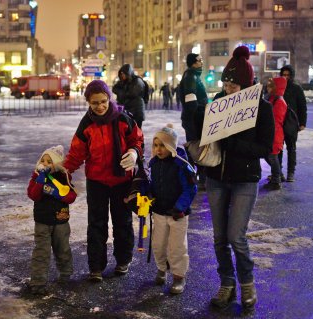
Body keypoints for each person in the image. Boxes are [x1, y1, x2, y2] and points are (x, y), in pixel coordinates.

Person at [205, 46, 274, 310]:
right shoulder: (218, 104)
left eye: (234, 85)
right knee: (219, 238)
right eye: (226, 84)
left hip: (245, 180)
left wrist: (234, 144)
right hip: (216, 178)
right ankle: (226, 283)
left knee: (236, 236)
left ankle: (247, 283)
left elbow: (266, 148)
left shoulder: (262, 109)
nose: (228, 89)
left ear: (246, 85)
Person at [63, 80, 144, 282]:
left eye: (103, 101)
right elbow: (76, 152)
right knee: (96, 224)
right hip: (97, 181)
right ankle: (96, 267)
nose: (99, 106)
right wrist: (65, 172)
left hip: (121, 180)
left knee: (122, 222)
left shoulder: (124, 118)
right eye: (94, 103)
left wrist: (134, 152)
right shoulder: (87, 124)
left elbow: (138, 139)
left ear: (109, 98)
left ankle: (123, 260)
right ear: (88, 103)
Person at [149, 124, 197, 294]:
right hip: (160, 211)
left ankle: (178, 276)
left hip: (178, 214)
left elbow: (190, 188)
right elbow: (152, 185)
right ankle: (161, 269)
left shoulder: (181, 165)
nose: (158, 149)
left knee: (177, 247)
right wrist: (146, 196)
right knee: (158, 244)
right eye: (155, 145)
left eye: (162, 145)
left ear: (171, 146)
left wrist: (179, 207)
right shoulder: (153, 163)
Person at [26, 145, 78, 295]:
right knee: (41, 252)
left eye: (50, 161)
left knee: (63, 249)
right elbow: (33, 195)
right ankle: (38, 282)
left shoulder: (63, 176)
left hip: (61, 221)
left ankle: (65, 274)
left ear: (57, 163)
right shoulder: (36, 176)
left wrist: (58, 194)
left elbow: (71, 196)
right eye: (43, 160)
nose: (45, 164)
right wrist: (40, 181)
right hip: (42, 222)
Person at [179, 53, 208, 189]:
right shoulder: (190, 76)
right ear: (193, 63)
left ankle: (195, 177)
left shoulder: (193, 75)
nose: (201, 62)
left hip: (195, 118)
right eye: (199, 60)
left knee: (196, 147)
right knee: (196, 148)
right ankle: (197, 178)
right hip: (194, 119)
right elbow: (191, 101)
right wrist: (197, 117)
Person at [279, 65, 307, 182]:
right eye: (284, 75)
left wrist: (302, 123)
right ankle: (277, 172)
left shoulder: (296, 89)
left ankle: (291, 173)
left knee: (291, 149)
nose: (286, 77)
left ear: (292, 76)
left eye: (288, 75)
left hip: (291, 123)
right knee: (278, 149)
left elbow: (302, 107)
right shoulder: (278, 87)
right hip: (279, 123)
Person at [264, 77, 288, 190]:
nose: (268, 87)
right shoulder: (272, 99)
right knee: (269, 156)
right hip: (271, 133)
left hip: (275, 134)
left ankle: (276, 181)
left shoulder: (279, 101)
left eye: (271, 85)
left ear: (277, 87)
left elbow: (275, 120)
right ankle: (279, 175)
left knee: (272, 158)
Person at [112, 64, 147, 128]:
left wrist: (121, 92)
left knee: (137, 131)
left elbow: (133, 93)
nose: (122, 75)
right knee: (127, 131)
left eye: (124, 73)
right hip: (127, 110)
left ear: (128, 73)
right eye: (121, 74)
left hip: (136, 110)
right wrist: (120, 92)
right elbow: (114, 88)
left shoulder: (137, 81)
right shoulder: (123, 82)